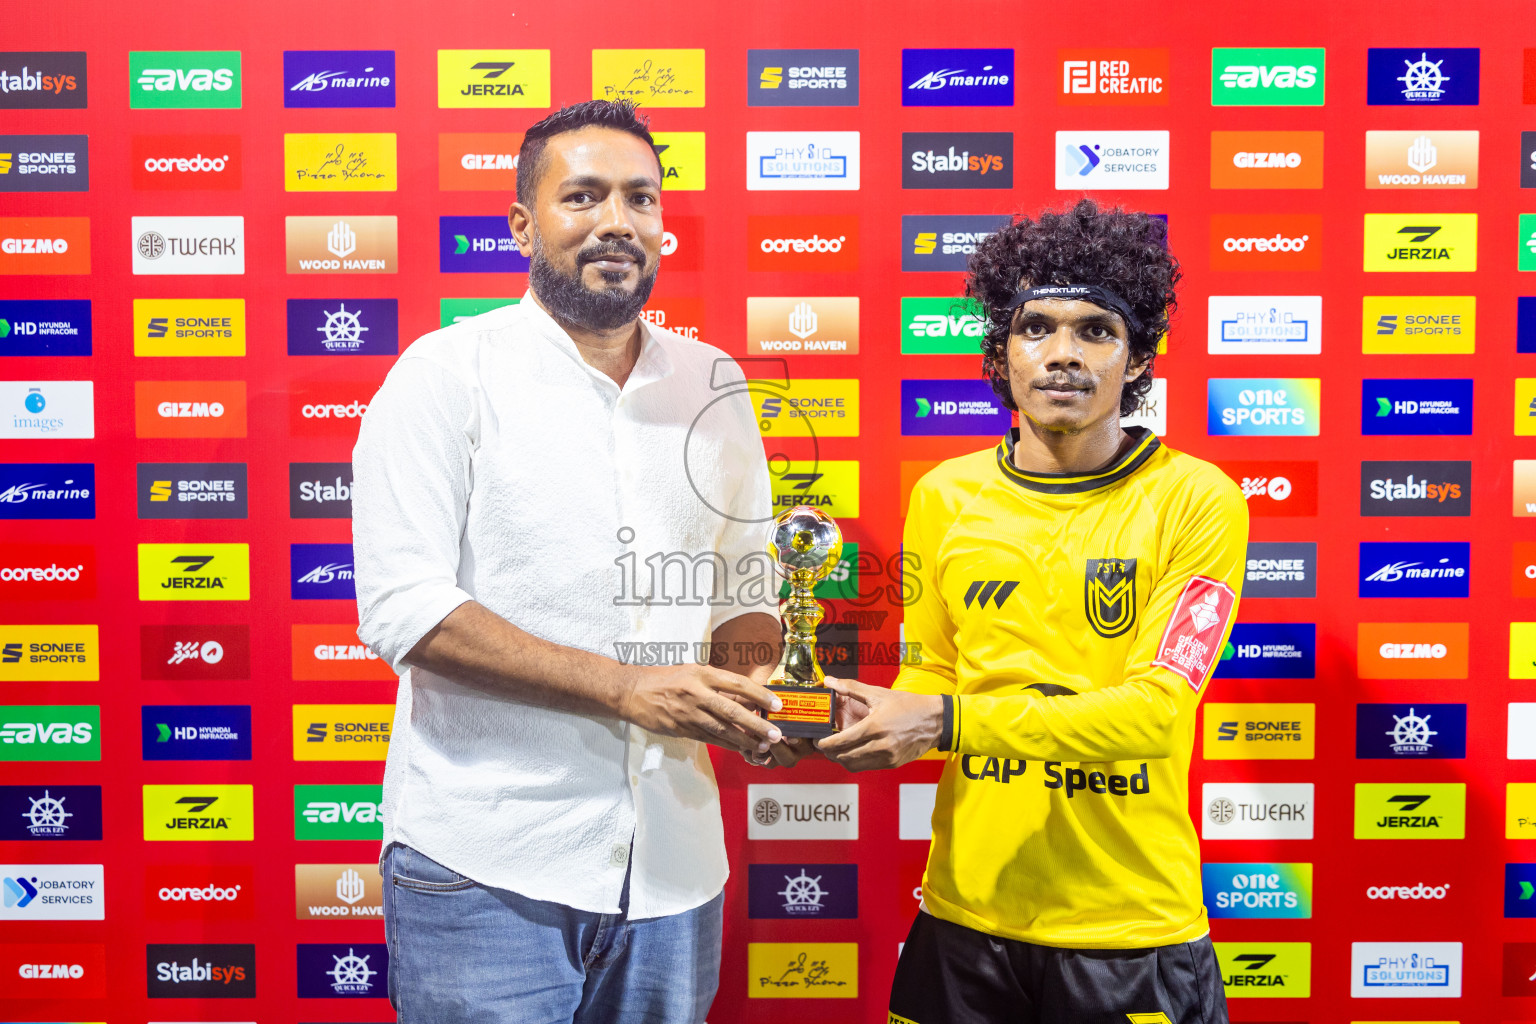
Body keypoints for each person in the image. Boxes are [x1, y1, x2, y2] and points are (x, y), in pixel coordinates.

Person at [351, 99, 783, 1024]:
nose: (616, 222)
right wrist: (625, 687)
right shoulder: (444, 374)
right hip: (487, 868)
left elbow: (748, 574)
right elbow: (404, 607)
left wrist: (760, 689)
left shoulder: (715, 383)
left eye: (641, 198)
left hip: (673, 865)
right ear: (523, 225)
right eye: (582, 196)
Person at [816, 200, 1248, 1024]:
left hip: (1127, 929)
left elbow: (1157, 716)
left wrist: (944, 722)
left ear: (1138, 356)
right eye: (1036, 327)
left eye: (1095, 330)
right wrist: (850, 721)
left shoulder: (1198, 500)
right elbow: (935, 673)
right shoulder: (946, 494)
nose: (1061, 355)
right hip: (964, 918)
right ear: (1000, 352)